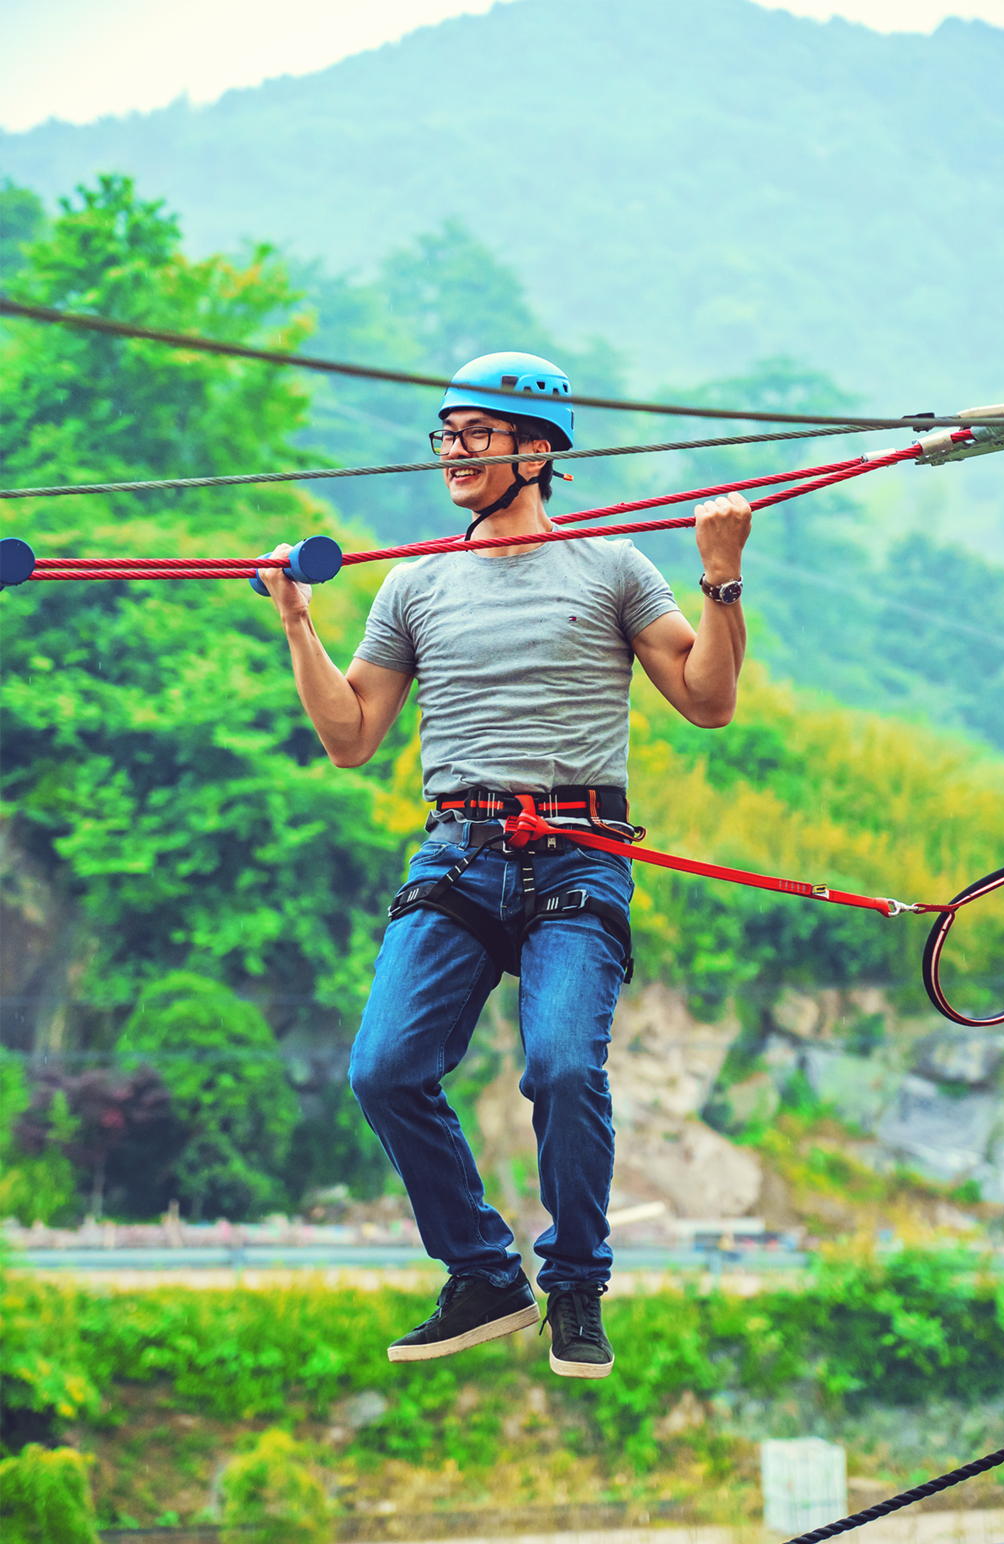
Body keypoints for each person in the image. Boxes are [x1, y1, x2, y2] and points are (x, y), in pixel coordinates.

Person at [259, 351, 751, 1378]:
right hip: (457, 858)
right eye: (447, 432)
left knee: (565, 1066)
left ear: (538, 450)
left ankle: (575, 1284)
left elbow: (707, 699)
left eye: (476, 433)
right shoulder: (414, 582)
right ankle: (482, 1274)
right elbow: (351, 736)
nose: (455, 451)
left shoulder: (615, 568)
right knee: (385, 1069)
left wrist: (720, 577)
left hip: (578, 857)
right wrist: (299, 625)